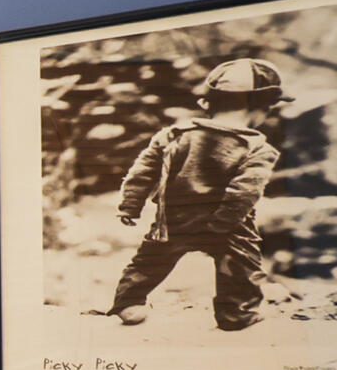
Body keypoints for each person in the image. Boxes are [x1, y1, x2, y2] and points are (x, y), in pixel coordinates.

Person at [104, 56, 283, 332]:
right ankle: (237, 315)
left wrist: (130, 206)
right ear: (261, 109)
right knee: (241, 265)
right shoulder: (258, 149)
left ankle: (129, 303)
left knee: (150, 260)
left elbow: (143, 170)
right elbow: (245, 192)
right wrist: (222, 224)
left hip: (176, 218)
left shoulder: (175, 134)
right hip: (227, 224)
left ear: (208, 103)